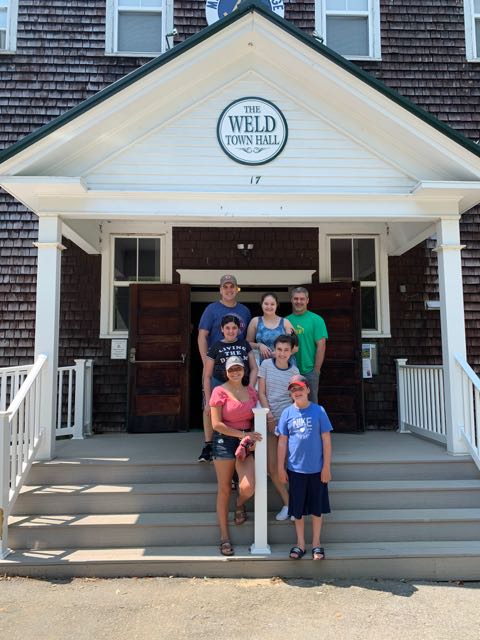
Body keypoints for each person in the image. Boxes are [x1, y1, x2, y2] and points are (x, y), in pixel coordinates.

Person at [210, 356, 262, 557]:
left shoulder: (251, 391)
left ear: (244, 370)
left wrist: (253, 436)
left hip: (245, 443)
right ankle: (224, 537)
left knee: (248, 487)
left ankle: (239, 504)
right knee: (224, 489)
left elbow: (257, 415)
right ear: (226, 372)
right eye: (231, 369)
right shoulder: (219, 391)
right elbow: (216, 424)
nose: (235, 372)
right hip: (224, 441)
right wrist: (242, 434)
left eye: (238, 368)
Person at [277, 374, 333, 561]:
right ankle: (300, 544)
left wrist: (326, 467)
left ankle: (316, 543)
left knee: (317, 509)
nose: (297, 392)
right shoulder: (287, 413)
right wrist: (280, 467)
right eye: (293, 389)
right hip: (295, 470)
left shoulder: (319, 411)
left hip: (317, 470)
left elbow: (326, 440)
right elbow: (282, 442)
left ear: (308, 389)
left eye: (300, 388)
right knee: (297, 510)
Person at [197, 275, 251, 462]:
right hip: (216, 365)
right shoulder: (211, 309)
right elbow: (202, 336)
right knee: (210, 405)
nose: (229, 290)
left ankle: (239, 440)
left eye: (232, 286)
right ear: (220, 290)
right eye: (225, 287)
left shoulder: (244, 311)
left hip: (238, 369)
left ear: (237, 289)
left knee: (237, 404)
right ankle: (208, 444)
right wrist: (206, 362)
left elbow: (247, 339)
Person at [257, 334, 299, 521]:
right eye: (279, 349)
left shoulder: (294, 371)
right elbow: (261, 393)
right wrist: (269, 416)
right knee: (273, 467)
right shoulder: (266, 365)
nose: (282, 353)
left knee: (292, 466)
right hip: (270, 421)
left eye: (286, 350)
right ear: (274, 350)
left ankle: (297, 505)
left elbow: (295, 399)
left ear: (291, 351)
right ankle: (288, 503)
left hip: (289, 424)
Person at [203, 314, 258, 414]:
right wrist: (208, 400)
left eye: (234, 328)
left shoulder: (245, 344)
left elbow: (254, 368)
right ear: (222, 329)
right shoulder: (215, 347)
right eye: (227, 328)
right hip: (220, 389)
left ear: (238, 329)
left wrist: (251, 387)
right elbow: (207, 376)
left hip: (242, 388)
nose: (231, 331)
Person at [286, 286, 328, 402]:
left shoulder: (317, 320)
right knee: (290, 402)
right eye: (296, 298)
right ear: (291, 300)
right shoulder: (286, 321)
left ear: (307, 300)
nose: (298, 301)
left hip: (309, 370)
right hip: (289, 369)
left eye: (302, 299)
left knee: (311, 402)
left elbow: (321, 345)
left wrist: (316, 370)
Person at [246, 292, 295, 362]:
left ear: (277, 305)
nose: (269, 307)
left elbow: (295, 347)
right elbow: (247, 343)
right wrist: (259, 345)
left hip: (284, 364)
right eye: (266, 304)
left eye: (272, 304)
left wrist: (280, 353)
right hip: (263, 364)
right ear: (261, 304)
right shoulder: (255, 321)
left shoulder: (285, 322)